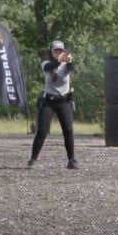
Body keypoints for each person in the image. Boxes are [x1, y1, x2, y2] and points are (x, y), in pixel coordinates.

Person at [28, 40, 78, 169]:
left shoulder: (66, 65)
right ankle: (33, 159)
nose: (58, 52)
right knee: (42, 131)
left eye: (60, 50)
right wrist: (60, 60)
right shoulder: (46, 63)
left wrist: (70, 61)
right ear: (52, 52)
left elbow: (72, 67)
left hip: (63, 101)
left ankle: (71, 160)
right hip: (49, 101)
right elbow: (48, 68)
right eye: (56, 50)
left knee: (68, 130)